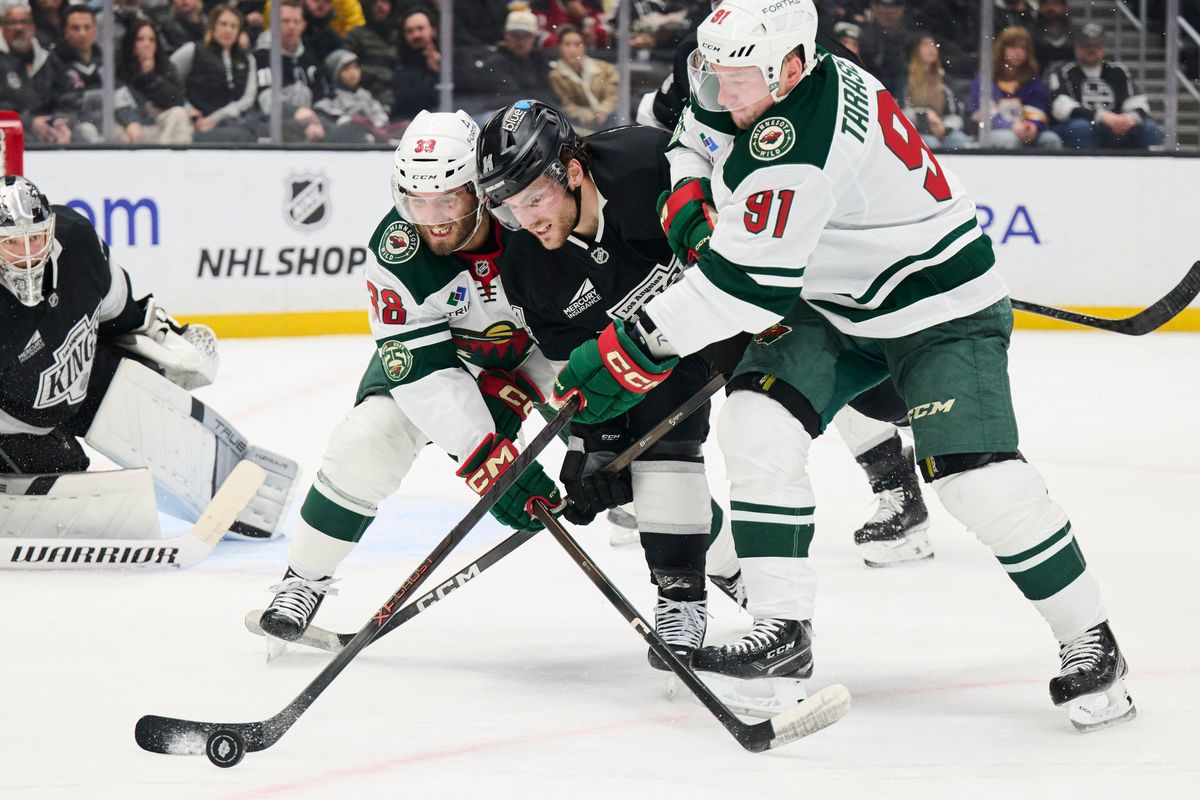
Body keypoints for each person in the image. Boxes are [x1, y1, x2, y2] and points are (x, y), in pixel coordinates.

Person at [550, 0, 1136, 731]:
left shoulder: (802, 137)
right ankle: (781, 636)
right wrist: (690, 195)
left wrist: (625, 351)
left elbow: (743, 290)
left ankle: (1092, 641)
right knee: (756, 423)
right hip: (835, 304)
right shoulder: (755, 72)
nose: (724, 94)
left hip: (937, 309)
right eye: (718, 74)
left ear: (791, 68)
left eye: (741, 83)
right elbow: (692, 137)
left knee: (979, 482)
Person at [259, 111, 566, 642]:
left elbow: (578, 321)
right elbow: (423, 370)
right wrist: (487, 457)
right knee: (365, 440)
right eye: (416, 201)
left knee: (635, 443)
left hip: (541, 357)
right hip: (442, 365)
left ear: (480, 188)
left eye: (448, 198)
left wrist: (527, 392)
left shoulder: (533, 219)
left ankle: (699, 577)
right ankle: (303, 578)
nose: (434, 219)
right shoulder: (399, 253)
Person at [476, 99, 740, 674]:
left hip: (736, 314)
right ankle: (682, 595)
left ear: (572, 171)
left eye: (536, 200)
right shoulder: (527, 268)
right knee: (654, 429)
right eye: (513, 209)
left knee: (858, 402)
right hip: (658, 357)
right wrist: (592, 448)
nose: (528, 221)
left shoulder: (649, 165)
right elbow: (581, 371)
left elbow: (736, 236)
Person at [0, 175, 292, 541]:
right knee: (68, 488)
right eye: (11, 243)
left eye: (35, 238)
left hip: (83, 372)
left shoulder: (77, 242)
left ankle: (232, 489)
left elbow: (118, 308)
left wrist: (161, 336)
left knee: (148, 388)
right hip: (16, 422)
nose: (27, 254)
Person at [1048, 23, 1163, 151]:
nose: (1091, 50)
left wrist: (1129, 119)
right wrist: (1101, 117)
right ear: (1077, 47)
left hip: (1116, 127)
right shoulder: (1062, 71)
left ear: (1103, 48)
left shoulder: (1118, 71)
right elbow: (1061, 108)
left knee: (1150, 129)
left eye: (1096, 46)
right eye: (1086, 46)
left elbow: (1138, 102)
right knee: (1081, 128)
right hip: (1081, 126)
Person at [170, 3, 259, 143]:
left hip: (234, 124)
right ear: (213, 26)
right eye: (223, 24)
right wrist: (187, 108)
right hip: (196, 126)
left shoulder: (248, 59)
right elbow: (167, 79)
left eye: (233, 26)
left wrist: (214, 119)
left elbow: (248, 99)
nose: (228, 30)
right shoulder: (193, 50)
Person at [0, 2, 81, 145]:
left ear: (33, 27)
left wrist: (61, 119)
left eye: (24, 22)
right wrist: (28, 122)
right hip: (10, 136)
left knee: (84, 131)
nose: (19, 28)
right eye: (12, 23)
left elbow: (68, 93)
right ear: (2, 28)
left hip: (50, 129)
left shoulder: (47, 57)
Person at [968, 26, 1061, 149]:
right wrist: (1010, 125)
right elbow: (980, 114)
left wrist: (1032, 126)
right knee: (1009, 140)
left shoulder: (1033, 80)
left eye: (1023, 48)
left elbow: (1038, 109)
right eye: (1012, 47)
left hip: (1025, 130)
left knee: (1050, 139)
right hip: (993, 131)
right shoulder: (985, 79)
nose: (1018, 52)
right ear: (1002, 50)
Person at [253, 0, 326, 143]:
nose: (291, 26)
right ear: (274, 23)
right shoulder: (262, 57)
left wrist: (317, 121)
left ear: (303, 25)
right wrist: (294, 112)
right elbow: (266, 100)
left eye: (296, 21)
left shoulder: (309, 58)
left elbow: (321, 97)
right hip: (274, 123)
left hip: (312, 122)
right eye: (285, 21)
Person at [115, 18, 193, 144]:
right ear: (131, 44)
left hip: (159, 126)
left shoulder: (165, 67)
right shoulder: (119, 69)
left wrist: (150, 76)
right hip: (131, 126)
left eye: (152, 40)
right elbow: (119, 99)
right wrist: (131, 121)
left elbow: (177, 100)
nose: (147, 44)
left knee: (178, 114)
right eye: (140, 39)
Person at [467, 8, 555, 108]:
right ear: (506, 35)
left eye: (526, 35)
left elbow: (550, 95)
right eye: (515, 35)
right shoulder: (495, 63)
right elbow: (513, 98)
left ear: (534, 38)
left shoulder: (540, 61)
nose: (520, 41)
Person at [314, 48, 407, 142]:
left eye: (355, 67)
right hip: (355, 141)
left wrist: (379, 128)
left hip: (380, 135)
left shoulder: (366, 95)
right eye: (346, 69)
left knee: (406, 126)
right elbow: (341, 124)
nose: (353, 73)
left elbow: (382, 119)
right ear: (335, 73)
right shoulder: (330, 101)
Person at [900, 33, 970, 149]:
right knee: (930, 143)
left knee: (959, 140)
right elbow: (901, 113)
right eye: (925, 45)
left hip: (943, 130)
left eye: (933, 45)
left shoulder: (945, 80)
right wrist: (924, 116)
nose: (931, 49)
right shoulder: (905, 80)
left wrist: (945, 128)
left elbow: (957, 113)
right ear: (915, 50)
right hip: (915, 132)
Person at [548, 25, 618, 135]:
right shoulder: (555, 75)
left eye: (577, 44)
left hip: (609, 116)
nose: (573, 50)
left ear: (584, 47)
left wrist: (603, 110)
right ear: (559, 47)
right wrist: (589, 116)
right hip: (580, 125)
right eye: (567, 44)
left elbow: (613, 94)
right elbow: (566, 105)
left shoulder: (604, 68)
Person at [341, 0, 400, 113]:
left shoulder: (399, 36)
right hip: (366, 94)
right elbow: (346, 68)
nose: (380, 6)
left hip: (399, 92)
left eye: (385, 1)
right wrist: (381, 75)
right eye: (374, 2)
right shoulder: (356, 35)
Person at [390, 7, 440, 121]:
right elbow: (406, 101)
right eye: (410, 31)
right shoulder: (398, 64)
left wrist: (438, 70)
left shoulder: (450, 58)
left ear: (433, 30)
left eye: (420, 28)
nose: (416, 35)